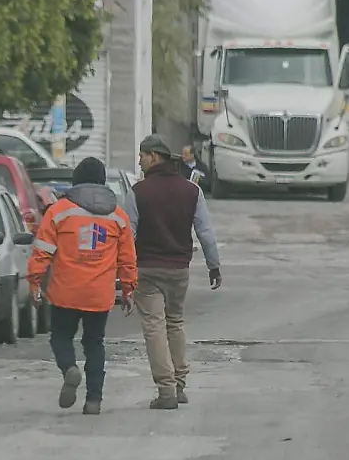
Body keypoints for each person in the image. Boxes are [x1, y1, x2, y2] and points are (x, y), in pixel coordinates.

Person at [27, 157, 138, 415]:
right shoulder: (118, 217)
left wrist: (34, 283)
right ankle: (94, 401)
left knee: (61, 337)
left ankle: (69, 368)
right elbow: (128, 257)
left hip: (65, 291)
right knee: (94, 344)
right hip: (99, 294)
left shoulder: (59, 211)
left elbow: (42, 252)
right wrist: (129, 288)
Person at [130, 134, 223, 410]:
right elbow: (205, 232)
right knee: (175, 323)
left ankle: (166, 389)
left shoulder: (138, 192)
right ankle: (180, 383)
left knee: (154, 327)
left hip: (146, 270)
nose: (139, 160)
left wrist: (122, 270)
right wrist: (213, 265)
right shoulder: (191, 191)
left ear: (154, 157)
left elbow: (127, 234)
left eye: (142, 155)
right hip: (179, 270)